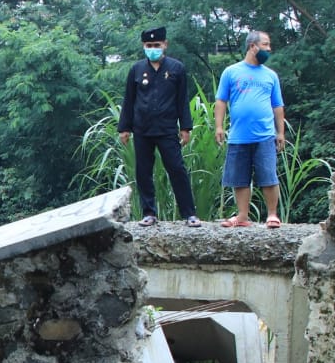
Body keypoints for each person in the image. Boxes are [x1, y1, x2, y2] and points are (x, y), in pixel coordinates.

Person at [117, 26, 200, 228]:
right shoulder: (137, 69)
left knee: (177, 169)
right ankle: (149, 213)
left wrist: (185, 127)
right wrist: (124, 127)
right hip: (142, 128)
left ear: (165, 44)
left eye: (156, 45)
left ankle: (189, 213)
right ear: (143, 46)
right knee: (143, 171)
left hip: (167, 128)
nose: (153, 48)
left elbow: (182, 100)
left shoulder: (176, 68)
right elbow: (129, 99)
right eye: (149, 45)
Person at [214, 30, 285, 229]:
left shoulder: (271, 75)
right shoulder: (231, 72)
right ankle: (242, 216)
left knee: (268, 176)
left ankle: (272, 215)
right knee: (239, 178)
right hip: (238, 135)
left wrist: (280, 132)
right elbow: (221, 101)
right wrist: (219, 126)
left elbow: (277, 105)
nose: (268, 49)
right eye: (265, 44)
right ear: (253, 46)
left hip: (265, 135)